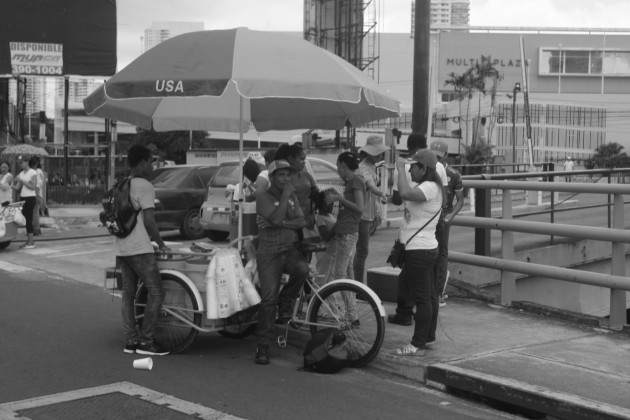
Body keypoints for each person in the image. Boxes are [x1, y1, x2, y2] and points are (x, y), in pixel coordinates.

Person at [116, 145, 171, 356]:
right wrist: (162, 243)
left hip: (122, 248)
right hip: (139, 248)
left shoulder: (121, 184)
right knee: (157, 292)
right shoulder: (145, 186)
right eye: (151, 162)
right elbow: (149, 221)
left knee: (128, 294)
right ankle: (146, 342)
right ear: (141, 163)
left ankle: (131, 341)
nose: (152, 166)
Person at [254, 159, 310, 365]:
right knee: (268, 298)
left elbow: (301, 221)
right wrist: (285, 198)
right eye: (281, 175)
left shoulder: (293, 196)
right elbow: (276, 219)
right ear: (271, 178)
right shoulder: (263, 197)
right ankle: (263, 346)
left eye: (288, 175)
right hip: (268, 251)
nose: (286, 179)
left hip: (289, 248)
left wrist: (283, 222)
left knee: (303, 269)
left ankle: (285, 304)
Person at [390, 149, 443, 357]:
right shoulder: (428, 185)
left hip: (420, 250)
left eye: (414, 166)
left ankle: (417, 343)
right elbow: (399, 195)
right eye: (409, 166)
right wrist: (401, 172)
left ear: (424, 169)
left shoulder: (430, 187)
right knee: (428, 296)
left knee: (423, 299)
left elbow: (404, 194)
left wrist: (400, 169)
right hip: (423, 248)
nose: (410, 170)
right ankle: (428, 338)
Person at [325, 152, 365, 323]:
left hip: (348, 233)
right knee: (347, 273)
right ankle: (352, 314)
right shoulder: (351, 182)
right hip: (345, 231)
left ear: (342, 165)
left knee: (340, 274)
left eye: (338, 166)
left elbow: (359, 207)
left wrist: (338, 198)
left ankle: (351, 314)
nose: (338, 170)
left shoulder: (356, 181)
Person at [429, 140, 464, 307]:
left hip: (443, 218)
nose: (435, 159)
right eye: (433, 155)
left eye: (438, 156)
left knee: (441, 253)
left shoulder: (453, 174)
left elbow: (460, 200)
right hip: (428, 216)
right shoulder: (426, 170)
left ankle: (438, 292)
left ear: (445, 156)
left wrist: (451, 216)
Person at [354, 135, 389, 284]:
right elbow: (370, 186)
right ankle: (358, 285)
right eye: (377, 153)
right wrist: (381, 192)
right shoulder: (363, 168)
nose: (379, 155)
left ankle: (358, 284)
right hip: (361, 215)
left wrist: (377, 210)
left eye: (380, 153)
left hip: (368, 214)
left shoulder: (372, 166)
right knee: (362, 251)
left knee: (362, 251)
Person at [275, 144, 319, 232]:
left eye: (304, 159)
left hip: (308, 222)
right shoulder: (282, 179)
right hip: (290, 224)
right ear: (291, 159)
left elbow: (317, 196)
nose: (304, 162)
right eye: (301, 159)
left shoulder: (307, 176)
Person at [12, 157, 38, 249]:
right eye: (19, 163)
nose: (20, 165)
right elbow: (17, 187)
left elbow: (33, 186)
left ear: (27, 162)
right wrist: (12, 185)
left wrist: (23, 181)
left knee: (29, 219)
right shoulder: (21, 173)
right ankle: (29, 240)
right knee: (24, 218)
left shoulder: (32, 172)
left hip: (30, 197)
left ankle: (31, 242)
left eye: (22, 162)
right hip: (23, 197)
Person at [313, 189, 337, 286]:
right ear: (321, 204)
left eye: (333, 204)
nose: (331, 206)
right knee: (321, 279)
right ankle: (314, 298)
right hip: (325, 253)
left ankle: (331, 301)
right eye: (329, 203)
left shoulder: (330, 216)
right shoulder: (321, 218)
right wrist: (338, 225)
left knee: (330, 280)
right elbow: (326, 236)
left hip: (332, 252)